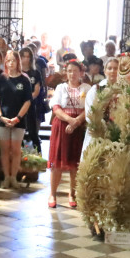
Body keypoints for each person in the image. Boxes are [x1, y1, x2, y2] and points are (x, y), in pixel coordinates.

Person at [48, 60, 91, 209]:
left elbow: (90, 108)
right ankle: (52, 194)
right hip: (62, 126)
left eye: (75, 71)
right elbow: (56, 107)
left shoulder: (87, 88)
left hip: (79, 128)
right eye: (69, 71)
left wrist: (77, 121)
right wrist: (69, 120)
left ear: (81, 73)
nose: (72, 74)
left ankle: (72, 194)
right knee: (57, 163)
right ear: (66, 73)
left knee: (75, 164)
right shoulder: (61, 88)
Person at [0, 50, 34, 189]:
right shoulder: (1, 79)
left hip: (19, 120)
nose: (11, 63)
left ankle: (14, 177)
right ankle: (6, 178)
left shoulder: (24, 79)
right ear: (5, 62)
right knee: (5, 149)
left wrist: (17, 118)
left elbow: (27, 101)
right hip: (3, 119)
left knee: (16, 149)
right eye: (8, 60)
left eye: (14, 60)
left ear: (18, 62)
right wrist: (0, 116)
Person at [19, 46, 45, 153]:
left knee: (33, 131)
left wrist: (28, 100)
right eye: (23, 56)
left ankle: (38, 154)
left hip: (30, 105)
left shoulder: (35, 72)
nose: (26, 59)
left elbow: (36, 90)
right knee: (18, 131)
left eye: (28, 57)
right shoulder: (17, 72)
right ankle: (20, 155)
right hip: (17, 106)